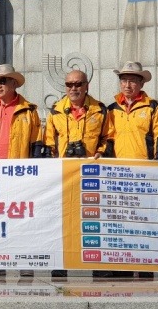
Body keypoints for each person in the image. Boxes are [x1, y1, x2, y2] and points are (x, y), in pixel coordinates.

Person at [0, 64, 43, 278]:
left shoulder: (30, 110)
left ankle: (25, 260)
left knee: (22, 217)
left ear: (14, 83)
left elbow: (37, 144)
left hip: (20, 175)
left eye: (3, 81)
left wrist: (34, 174)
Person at [44, 69, 111, 278]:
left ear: (86, 86)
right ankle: (59, 263)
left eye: (78, 84)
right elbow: (48, 141)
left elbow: (109, 138)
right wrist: (53, 163)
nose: (74, 88)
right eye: (69, 85)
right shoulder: (55, 110)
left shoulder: (100, 110)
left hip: (93, 173)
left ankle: (98, 265)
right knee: (61, 219)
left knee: (94, 218)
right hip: (63, 174)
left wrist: (100, 154)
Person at [107, 61, 158, 278]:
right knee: (120, 221)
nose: (127, 84)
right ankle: (121, 266)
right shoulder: (112, 109)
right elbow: (109, 140)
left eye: (132, 80)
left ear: (141, 82)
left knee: (143, 221)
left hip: (145, 173)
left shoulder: (152, 106)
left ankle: (144, 265)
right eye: (124, 80)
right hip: (118, 174)